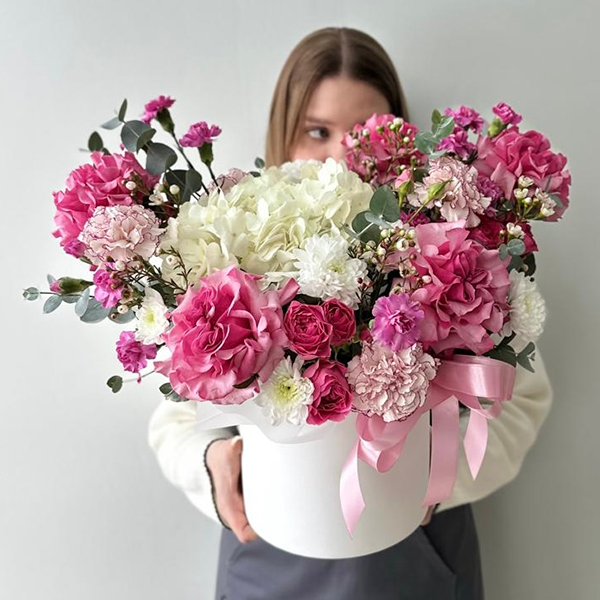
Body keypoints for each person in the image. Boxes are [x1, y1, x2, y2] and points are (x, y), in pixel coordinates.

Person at [148, 27, 553, 600]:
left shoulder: (454, 256)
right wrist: (213, 464)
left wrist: (434, 478)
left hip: (416, 553)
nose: (342, 154)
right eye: (318, 131)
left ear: (401, 138)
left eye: (366, 132)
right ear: (284, 133)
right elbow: (175, 418)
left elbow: (521, 402)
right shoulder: (230, 249)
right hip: (268, 548)